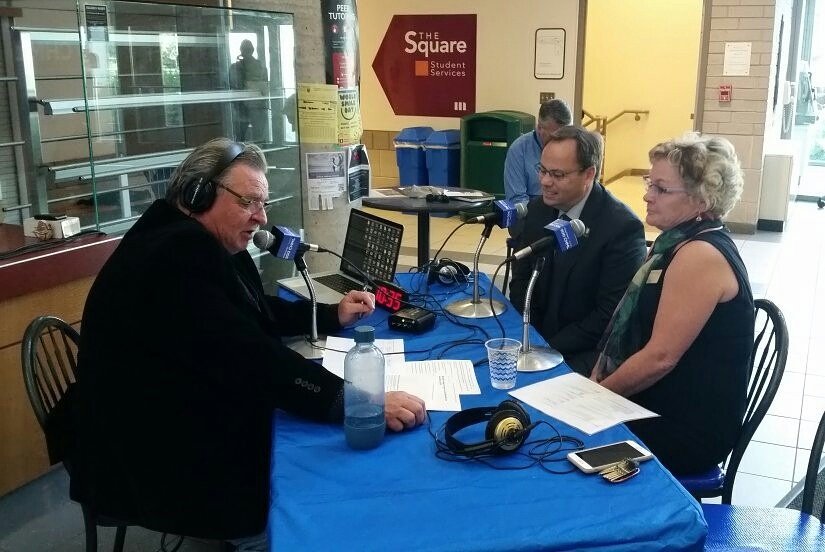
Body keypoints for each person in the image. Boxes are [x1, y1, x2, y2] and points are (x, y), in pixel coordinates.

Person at [69, 138, 426, 548]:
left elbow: (247, 311)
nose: (261, 218)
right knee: (301, 484)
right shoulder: (176, 253)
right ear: (198, 194)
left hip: (152, 417)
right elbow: (250, 358)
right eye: (249, 202)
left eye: (264, 204)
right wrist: (355, 401)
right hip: (148, 452)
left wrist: (330, 315)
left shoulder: (197, 236)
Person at [591, 133, 754, 475]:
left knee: (561, 446)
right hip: (662, 399)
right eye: (651, 183)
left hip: (687, 428)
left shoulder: (699, 255)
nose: (647, 195)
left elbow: (660, 358)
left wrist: (596, 398)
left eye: (662, 189)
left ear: (702, 200)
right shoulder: (673, 243)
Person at [509, 126, 647, 376]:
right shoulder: (538, 210)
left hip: (585, 352)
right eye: (542, 171)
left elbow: (608, 315)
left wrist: (547, 348)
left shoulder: (621, 228)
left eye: (558, 174)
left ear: (589, 174)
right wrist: (530, 337)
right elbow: (520, 281)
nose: (545, 182)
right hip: (534, 340)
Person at [504, 98, 573, 205]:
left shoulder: (574, 147)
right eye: (556, 136)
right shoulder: (519, 150)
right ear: (539, 127)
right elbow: (517, 201)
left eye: (566, 134)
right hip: (532, 216)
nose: (562, 141)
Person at [229, 39, 269, 141]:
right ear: (252, 50)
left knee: (240, 137)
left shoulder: (236, 67)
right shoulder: (262, 66)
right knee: (259, 136)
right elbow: (265, 85)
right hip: (259, 105)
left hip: (243, 106)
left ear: (241, 50)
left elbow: (233, 85)